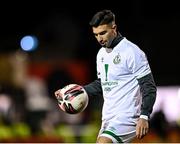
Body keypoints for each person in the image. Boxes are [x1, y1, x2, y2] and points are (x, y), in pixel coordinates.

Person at [55, 9, 157, 143]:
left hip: (128, 117)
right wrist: (72, 92)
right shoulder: (101, 54)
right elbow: (103, 83)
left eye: (103, 33)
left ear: (114, 28)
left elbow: (149, 86)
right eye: (96, 35)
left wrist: (144, 116)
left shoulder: (132, 52)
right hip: (108, 118)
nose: (99, 39)